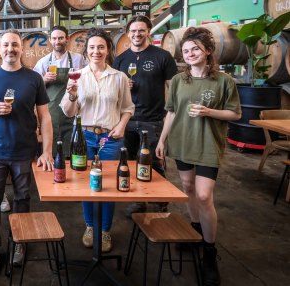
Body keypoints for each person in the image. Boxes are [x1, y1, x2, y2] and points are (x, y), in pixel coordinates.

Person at [155, 27, 241, 286]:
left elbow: (235, 114)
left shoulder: (224, 81)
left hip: (207, 145)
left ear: (208, 51)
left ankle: (209, 251)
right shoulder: (180, 81)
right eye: (186, 50)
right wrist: (162, 140)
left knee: (205, 195)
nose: (190, 54)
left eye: (195, 49)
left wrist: (208, 112)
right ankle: (194, 229)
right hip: (182, 142)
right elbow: (171, 112)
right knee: (189, 188)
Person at [0, 29, 54, 276]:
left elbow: (45, 116)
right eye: (5, 45)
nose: (10, 49)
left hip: (24, 151)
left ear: (21, 48)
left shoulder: (34, 78)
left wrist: (46, 150)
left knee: (22, 199)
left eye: (14, 45)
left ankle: (20, 243)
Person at [60, 28, 134, 253]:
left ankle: (105, 230)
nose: (96, 51)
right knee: (86, 185)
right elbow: (69, 112)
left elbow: (128, 108)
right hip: (83, 137)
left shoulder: (119, 77)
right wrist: (72, 94)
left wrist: (121, 126)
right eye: (92, 47)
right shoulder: (77, 76)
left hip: (110, 138)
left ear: (108, 49)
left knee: (108, 186)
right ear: (86, 51)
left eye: (101, 46)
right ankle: (90, 226)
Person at [112, 15, 178, 216]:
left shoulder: (162, 56)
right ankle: (139, 200)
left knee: (153, 161)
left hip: (153, 119)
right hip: (127, 119)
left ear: (148, 31)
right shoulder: (121, 59)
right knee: (131, 160)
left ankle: (159, 199)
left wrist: (172, 113)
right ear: (127, 33)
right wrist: (123, 86)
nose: (137, 34)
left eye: (141, 30)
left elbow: (173, 87)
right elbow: (113, 89)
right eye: (133, 31)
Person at [33, 25, 87, 156]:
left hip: (75, 109)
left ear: (67, 39)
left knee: (74, 148)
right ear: (50, 40)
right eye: (55, 38)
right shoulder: (43, 62)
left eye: (61, 38)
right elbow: (34, 88)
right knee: (54, 150)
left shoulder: (78, 59)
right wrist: (44, 80)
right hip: (52, 112)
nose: (58, 41)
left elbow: (88, 79)